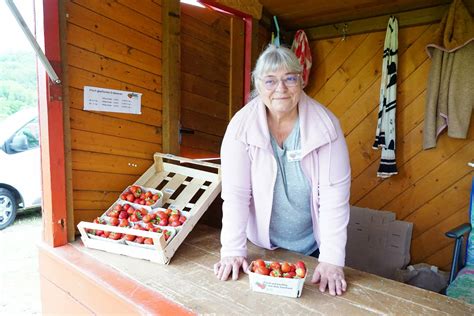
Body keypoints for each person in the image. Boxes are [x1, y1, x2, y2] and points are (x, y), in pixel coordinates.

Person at [213, 45, 351, 296]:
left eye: (290, 78)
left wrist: (332, 259)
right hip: (260, 246)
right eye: (270, 80)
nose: (281, 88)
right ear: (257, 83)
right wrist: (232, 250)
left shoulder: (326, 127)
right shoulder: (240, 128)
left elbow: (334, 198)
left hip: (311, 247)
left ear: (302, 80)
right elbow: (236, 195)